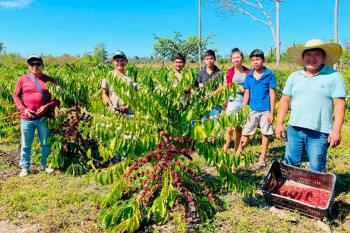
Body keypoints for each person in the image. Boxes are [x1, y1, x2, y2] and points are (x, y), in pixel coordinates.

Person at [275, 39, 347, 173]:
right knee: (290, 165)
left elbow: (339, 105)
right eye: (308, 54)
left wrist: (336, 131)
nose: (312, 58)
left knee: (316, 168)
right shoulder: (294, 76)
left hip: (319, 132)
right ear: (303, 57)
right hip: (294, 129)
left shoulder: (334, 76)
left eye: (317, 54)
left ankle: (316, 192)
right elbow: (285, 100)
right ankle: (292, 192)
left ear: (323, 57)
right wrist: (279, 123)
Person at [13, 55, 59, 177]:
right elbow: (16, 96)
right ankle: (24, 167)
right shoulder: (22, 79)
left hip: (43, 118)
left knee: (45, 143)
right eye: (32, 64)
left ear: (42, 66)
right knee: (26, 144)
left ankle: (46, 165)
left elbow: (57, 99)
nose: (35, 66)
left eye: (38, 63)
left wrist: (47, 106)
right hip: (27, 118)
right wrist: (24, 110)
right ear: (28, 66)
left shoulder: (50, 80)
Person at [235, 49, 276, 169]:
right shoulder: (249, 76)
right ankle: (237, 155)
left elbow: (272, 93)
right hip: (251, 109)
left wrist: (272, 112)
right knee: (246, 132)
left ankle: (262, 158)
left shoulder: (269, 74)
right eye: (253, 60)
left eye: (258, 59)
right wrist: (244, 109)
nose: (255, 62)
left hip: (265, 110)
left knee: (265, 133)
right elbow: (246, 93)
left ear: (263, 60)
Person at [223, 48, 250, 152]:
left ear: (242, 58)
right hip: (232, 101)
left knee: (239, 127)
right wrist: (225, 100)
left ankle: (236, 148)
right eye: (234, 58)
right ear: (231, 59)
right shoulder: (229, 72)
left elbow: (251, 86)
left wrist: (245, 90)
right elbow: (225, 86)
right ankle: (226, 146)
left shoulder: (248, 72)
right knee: (229, 128)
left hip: (244, 102)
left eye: (238, 57)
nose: (236, 59)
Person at [101, 50, 138, 116]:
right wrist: (111, 106)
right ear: (113, 62)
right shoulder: (109, 76)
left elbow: (135, 95)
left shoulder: (130, 78)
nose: (120, 62)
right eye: (117, 60)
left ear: (126, 62)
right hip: (114, 112)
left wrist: (128, 106)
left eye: (122, 60)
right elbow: (104, 94)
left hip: (128, 113)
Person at [195, 49, 222, 119]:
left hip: (215, 102)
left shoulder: (219, 73)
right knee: (203, 122)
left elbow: (221, 87)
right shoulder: (201, 73)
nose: (209, 61)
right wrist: (199, 87)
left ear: (215, 59)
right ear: (204, 60)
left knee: (214, 124)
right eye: (207, 59)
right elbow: (196, 86)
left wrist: (212, 94)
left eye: (211, 58)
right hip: (203, 102)